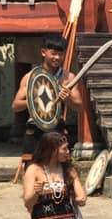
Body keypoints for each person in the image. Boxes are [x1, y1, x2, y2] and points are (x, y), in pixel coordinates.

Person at [11, 34, 83, 179]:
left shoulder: (68, 78)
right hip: (35, 130)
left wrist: (67, 97)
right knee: (34, 172)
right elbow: (15, 106)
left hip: (56, 128)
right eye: (53, 53)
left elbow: (80, 107)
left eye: (60, 54)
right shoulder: (31, 77)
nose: (57, 58)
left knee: (59, 172)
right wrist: (34, 101)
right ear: (44, 52)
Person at [21, 131, 90, 219]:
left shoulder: (69, 170)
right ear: (52, 150)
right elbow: (27, 202)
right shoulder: (34, 169)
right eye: (64, 149)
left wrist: (81, 198)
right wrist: (37, 192)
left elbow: (81, 197)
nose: (68, 152)